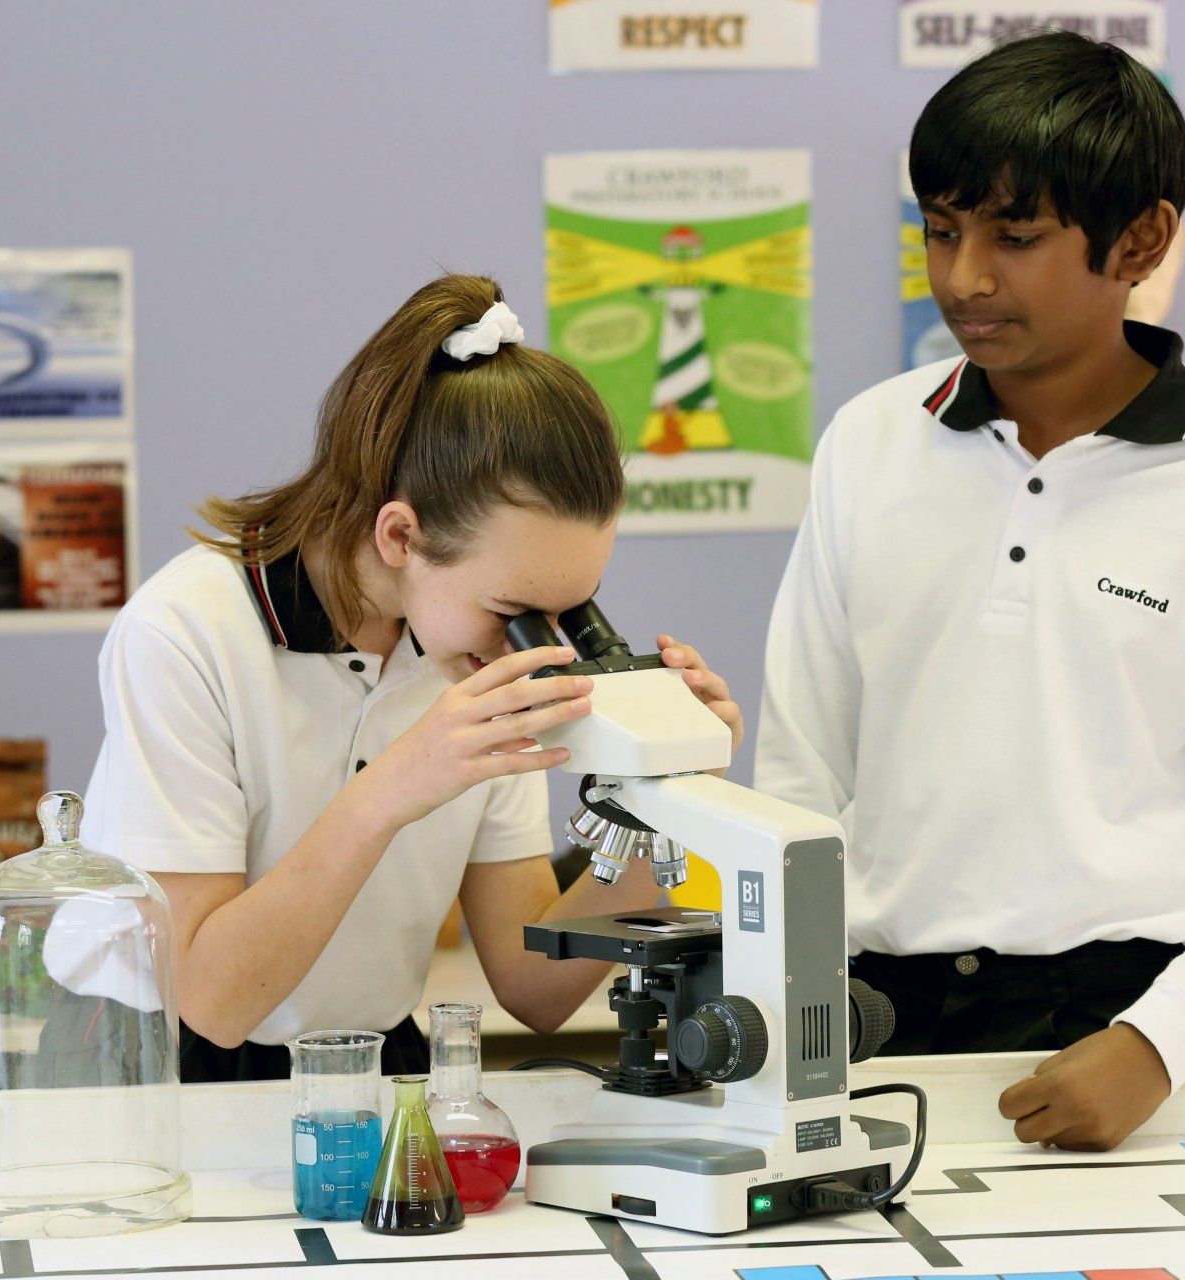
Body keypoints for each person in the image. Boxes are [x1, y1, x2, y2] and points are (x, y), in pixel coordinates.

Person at [755, 32, 1185, 1150]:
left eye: (1016, 236)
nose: (964, 277)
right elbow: (802, 778)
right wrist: (789, 1008)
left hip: (1120, 1031)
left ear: (1139, 239)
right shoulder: (867, 443)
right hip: (871, 1014)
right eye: (942, 230)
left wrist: (1160, 1042)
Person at [81, 274, 743, 1081]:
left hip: (367, 1055)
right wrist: (394, 788)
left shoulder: (471, 657)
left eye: (571, 613)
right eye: (515, 610)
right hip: (158, 1066)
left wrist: (661, 796)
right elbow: (213, 1003)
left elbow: (534, 984)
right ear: (400, 535)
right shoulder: (186, 631)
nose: (534, 648)